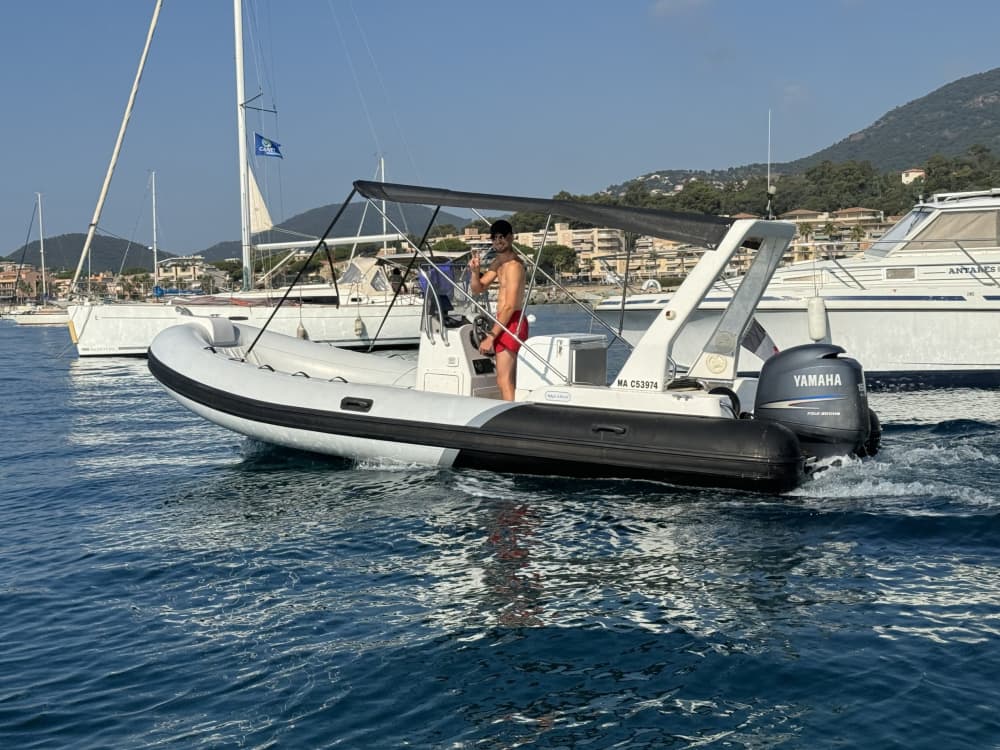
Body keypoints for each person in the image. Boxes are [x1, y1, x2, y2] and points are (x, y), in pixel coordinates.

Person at [469, 219, 528, 401]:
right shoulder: (499, 262)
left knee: (504, 380)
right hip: (503, 321)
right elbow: (478, 289)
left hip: (512, 322)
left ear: (511, 237)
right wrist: (475, 271)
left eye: (501, 237)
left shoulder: (514, 266)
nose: (497, 241)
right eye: (494, 238)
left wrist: (491, 336)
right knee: (502, 379)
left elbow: (510, 305)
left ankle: (511, 418)